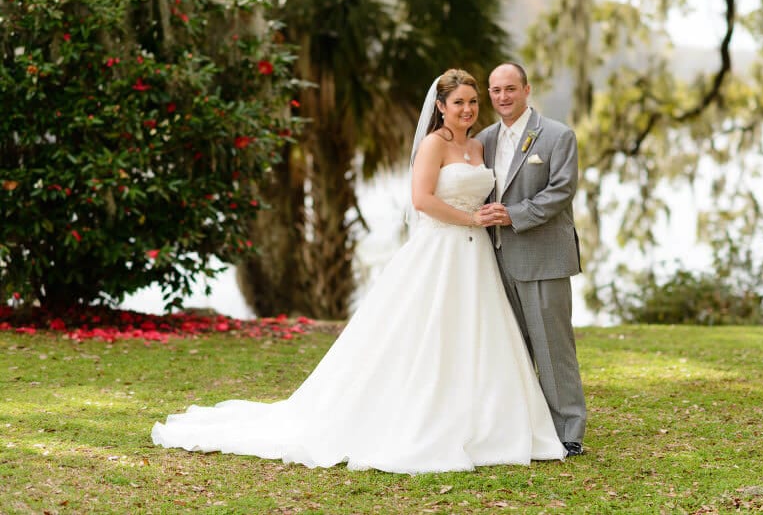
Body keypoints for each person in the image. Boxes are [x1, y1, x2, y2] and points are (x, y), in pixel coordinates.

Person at [151, 69, 567, 473]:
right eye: (458, 102)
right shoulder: (433, 145)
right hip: (441, 249)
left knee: (476, 334)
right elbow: (421, 200)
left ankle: (487, 422)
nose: (468, 109)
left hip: (477, 259)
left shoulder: (479, 148)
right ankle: (423, 418)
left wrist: (482, 221)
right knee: (427, 333)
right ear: (440, 106)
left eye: (474, 101)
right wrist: (472, 220)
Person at [475, 63, 586, 456]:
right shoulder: (483, 139)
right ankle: (522, 429)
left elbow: (561, 191)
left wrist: (513, 215)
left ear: (526, 89)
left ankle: (568, 433)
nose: (502, 97)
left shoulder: (558, 135)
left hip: (543, 257)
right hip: (495, 258)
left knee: (553, 349)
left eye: (510, 89)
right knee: (510, 348)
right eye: (495, 90)